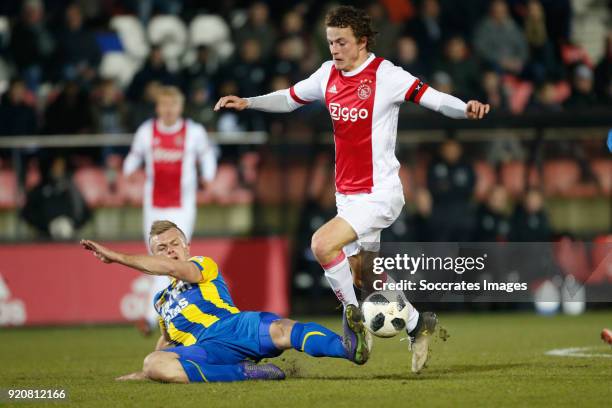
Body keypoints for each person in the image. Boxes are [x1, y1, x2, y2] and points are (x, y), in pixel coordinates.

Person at [215, 5, 490, 373]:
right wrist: (249, 102)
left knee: (322, 244)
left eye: (342, 42)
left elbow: (435, 99)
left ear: (362, 42)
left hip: (381, 192)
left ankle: (353, 318)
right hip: (347, 195)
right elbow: (289, 98)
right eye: (330, 42)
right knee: (364, 274)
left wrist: (466, 108)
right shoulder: (327, 74)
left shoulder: (385, 74)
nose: (335, 49)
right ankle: (416, 323)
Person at [80, 220, 368, 383]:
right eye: (161, 248)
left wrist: (116, 257)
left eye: (174, 244)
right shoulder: (161, 301)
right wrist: (145, 373)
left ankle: (348, 348)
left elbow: (171, 269)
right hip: (205, 350)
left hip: (234, 326)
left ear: (186, 246)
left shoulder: (201, 264)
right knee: (155, 361)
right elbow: (167, 341)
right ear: (153, 253)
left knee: (283, 330)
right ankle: (248, 373)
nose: (169, 252)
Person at [123, 86, 218, 334]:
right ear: (158, 107)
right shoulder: (147, 131)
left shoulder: (193, 132)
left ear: (180, 107)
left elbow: (208, 156)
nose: (168, 110)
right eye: (163, 105)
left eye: (172, 105)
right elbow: (133, 156)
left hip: (182, 205)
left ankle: (155, 316)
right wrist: (128, 171)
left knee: (176, 257)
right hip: (153, 204)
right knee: (157, 257)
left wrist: (208, 176)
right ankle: (162, 314)